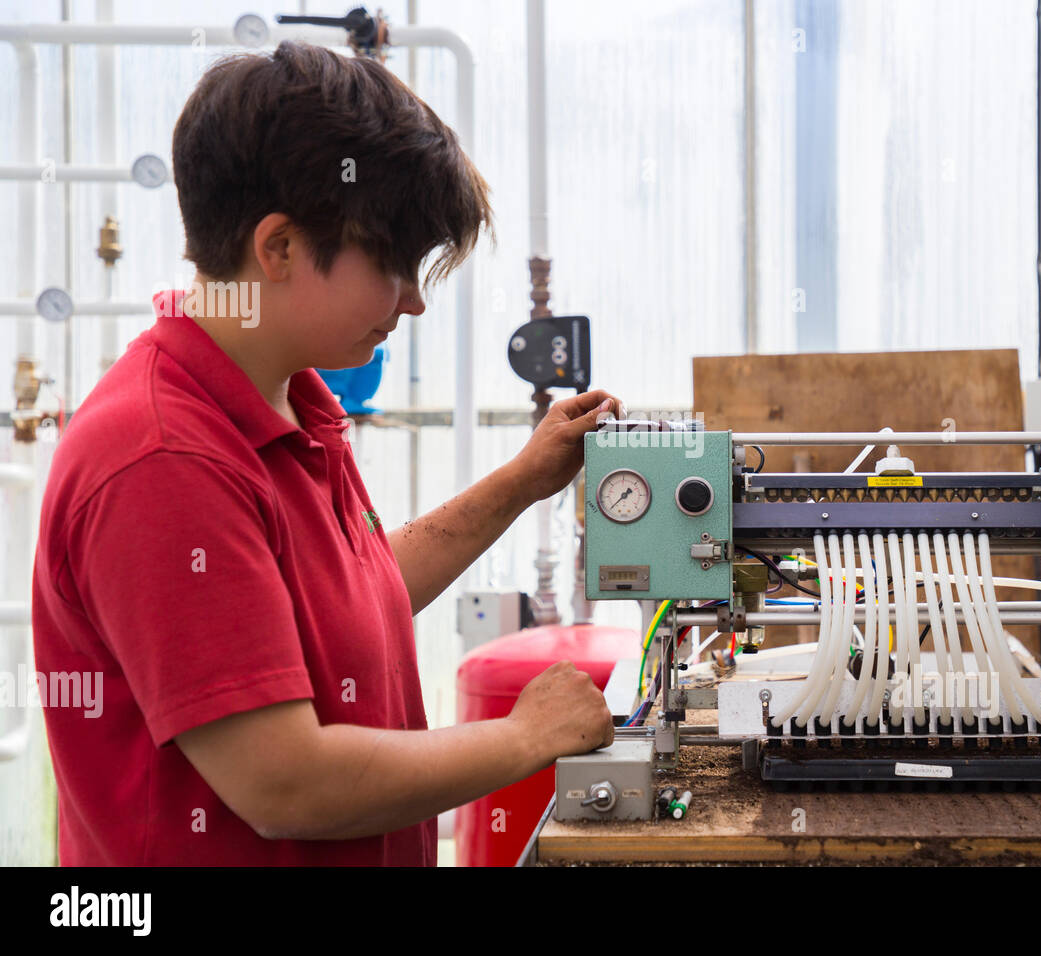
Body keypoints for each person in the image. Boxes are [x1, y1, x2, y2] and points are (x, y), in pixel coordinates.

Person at [31, 40, 617, 866]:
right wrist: (521, 737)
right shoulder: (163, 460)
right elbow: (285, 783)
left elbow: (352, 601)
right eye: (392, 264)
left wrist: (523, 480)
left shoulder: (290, 400)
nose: (413, 302)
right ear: (277, 249)